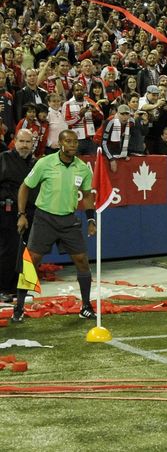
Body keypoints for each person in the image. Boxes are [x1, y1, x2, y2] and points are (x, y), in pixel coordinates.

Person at [15, 129, 98, 322]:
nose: (72, 145)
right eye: (68, 141)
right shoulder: (45, 163)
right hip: (45, 219)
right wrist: (22, 215)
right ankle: (18, 307)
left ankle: (85, 306)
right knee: (32, 262)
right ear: (60, 143)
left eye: (75, 142)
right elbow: (25, 187)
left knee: (82, 260)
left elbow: (86, 195)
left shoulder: (82, 168)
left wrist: (91, 220)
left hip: (69, 220)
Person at [0, 129, 35, 303]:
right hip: (8, 211)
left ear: (33, 143)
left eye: (28, 142)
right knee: (8, 250)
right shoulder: (4, 158)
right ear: (15, 141)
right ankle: (4, 288)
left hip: (31, 213)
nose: (24, 145)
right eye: (21, 141)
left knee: (26, 252)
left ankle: (20, 289)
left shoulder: (36, 163)